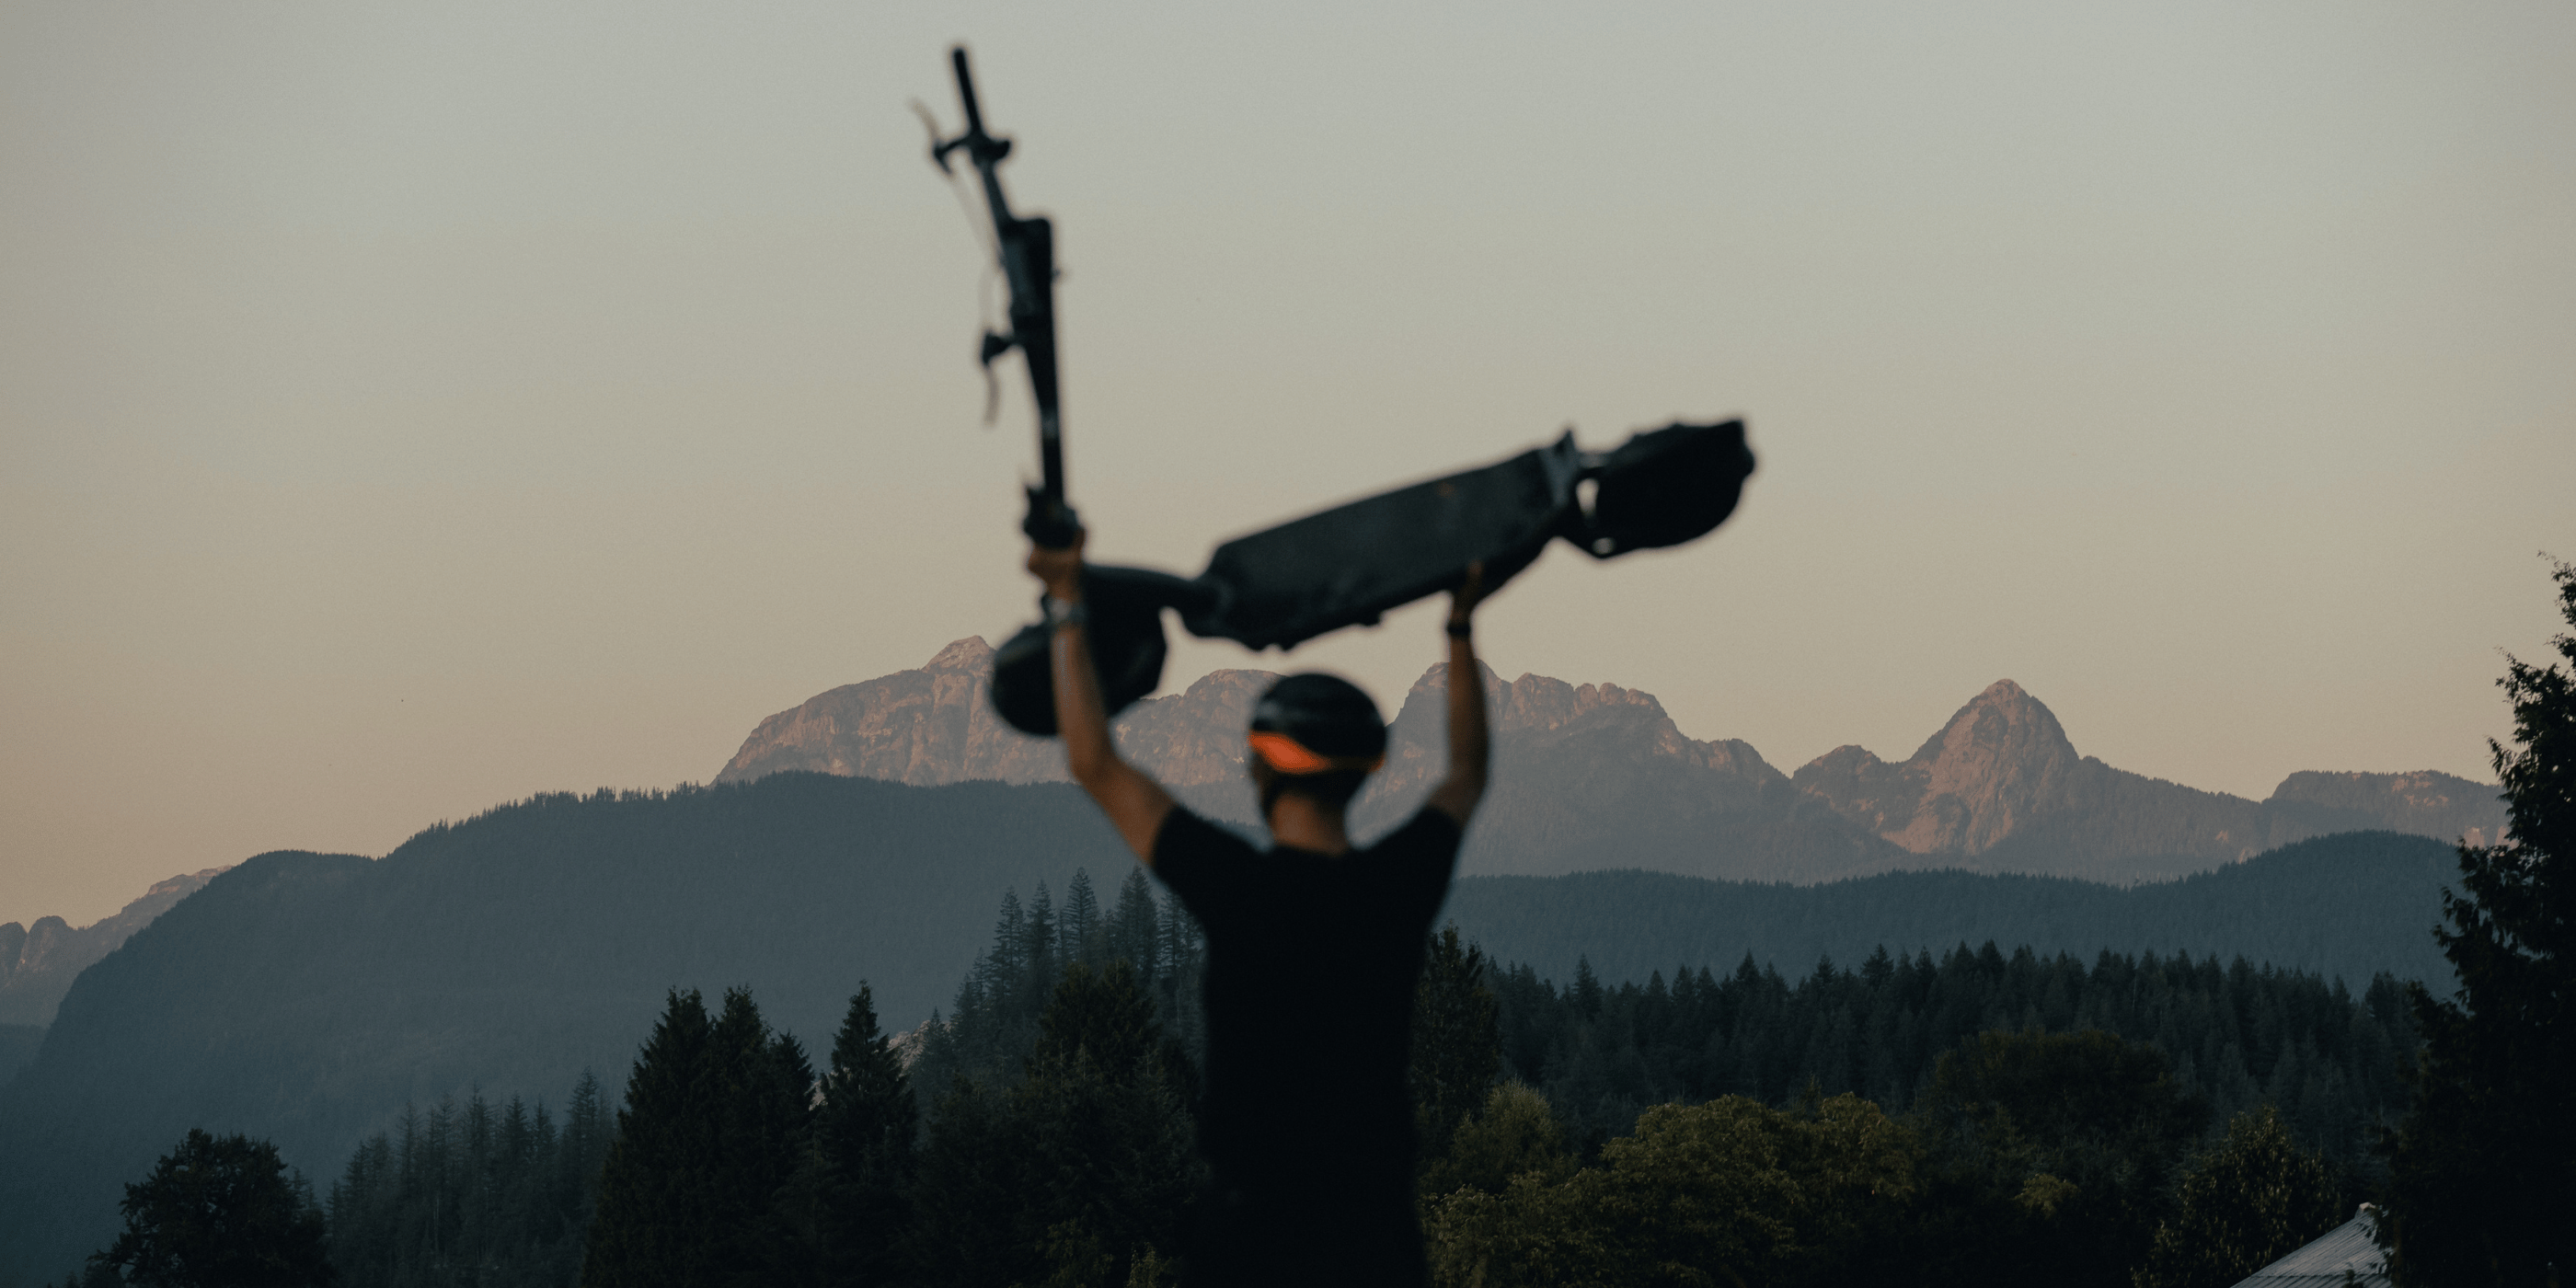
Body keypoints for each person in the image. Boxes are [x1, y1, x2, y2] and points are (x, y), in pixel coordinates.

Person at [1028, 528, 1492, 1287]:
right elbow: (1467, 772)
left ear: (1260, 766)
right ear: (1368, 768)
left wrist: (1068, 601)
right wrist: (1461, 623)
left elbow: (1094, 763)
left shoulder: (1239, 889)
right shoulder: (1396, 889)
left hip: (1254, 1243)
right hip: (1378, 1243)